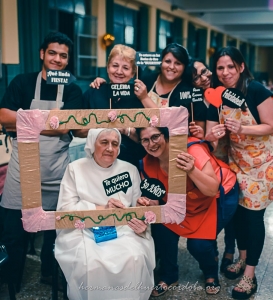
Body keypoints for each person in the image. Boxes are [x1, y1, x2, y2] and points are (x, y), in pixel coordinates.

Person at [0, 32, 83, 289]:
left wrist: (25, 120)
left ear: (68, 61)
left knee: (55, 234)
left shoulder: (72, 89)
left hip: (56, 174)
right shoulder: (22, 82)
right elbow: (3, 117)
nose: (57, 59)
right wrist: (52, 122)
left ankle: (51, 274)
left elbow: (66, 126)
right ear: (42, 54)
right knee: (13, 233)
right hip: (20, 175)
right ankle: (11, 281)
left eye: (63, 56)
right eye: (52, 53)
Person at [207, 46, 273, 299]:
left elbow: (270, 126)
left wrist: (243, 128)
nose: (225, 72)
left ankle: (250, 273)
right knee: (238, 214)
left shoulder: (257, 90)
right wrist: (214, 135)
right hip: (237, 159)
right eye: (220, 67)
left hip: (263, 163)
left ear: (240, 67)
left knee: (253, 217)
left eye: (230, 66)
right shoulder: (219, 95)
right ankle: (241, 257)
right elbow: (216, 130)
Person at [55, 128, 155, 300]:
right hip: (84, 231)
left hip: (123, 230)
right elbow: (65, 210)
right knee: (90, 263)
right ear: (93, 144)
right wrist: (101, 209)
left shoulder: (130, 169)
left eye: (115, 144)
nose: (110, 148)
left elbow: (137, 207)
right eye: (104, 142)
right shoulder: (74, 169)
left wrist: (142, 214)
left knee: (134, 257)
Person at [136, 126, 221, 296]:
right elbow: (155, 197)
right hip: (174, 206)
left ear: (166, 136)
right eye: (145, 140)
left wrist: (191, 169)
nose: (151, 144)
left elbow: (212, 189)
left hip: (203, 205)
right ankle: (169, 276)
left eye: (155, 137)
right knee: (161, 232)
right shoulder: (146, 163)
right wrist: (146, 202)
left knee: (199, 246)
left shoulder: (192, 150)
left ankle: (211, 273)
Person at [186, 58, 238, 273]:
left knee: (233, 206)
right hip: (210, 157)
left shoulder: (226, 90)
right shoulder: (194, 99)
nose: (203, 77)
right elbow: (207, 138)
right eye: (196, 76)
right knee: (214, 206)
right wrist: (205, 137)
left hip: (234, 155)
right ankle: (214, 248)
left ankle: (230, 250)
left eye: (205, 71)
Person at [90, 43, 205, 138]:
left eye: (178, 63)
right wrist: (106, 85)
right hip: (144, 144)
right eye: (167, 61)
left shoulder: (189, 91)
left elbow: (167, 124)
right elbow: (122, 88)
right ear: (161, 62)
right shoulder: (146, 80)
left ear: (185, 66)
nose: (171, 67)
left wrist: (144, 98)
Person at [83, 44, 156, 168]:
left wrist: (125, 129)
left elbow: (149, 135)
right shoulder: (94, 91)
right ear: (107, 68)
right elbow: (77, 130)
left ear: (133, 73)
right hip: (97, 164)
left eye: (126, 68)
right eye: (115, 66)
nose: (119, 71)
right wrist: (105, 124)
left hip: (129, 164)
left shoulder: (139, 96)